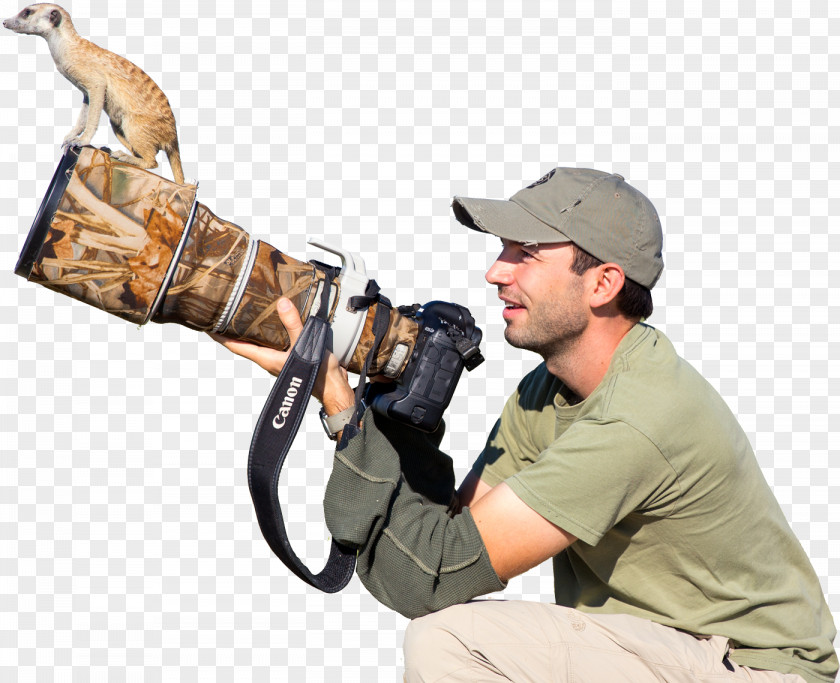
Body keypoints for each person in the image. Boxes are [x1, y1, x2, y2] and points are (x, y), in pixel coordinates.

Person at [215, 168, 838, 683]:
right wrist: (397, 403)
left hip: (754, 670)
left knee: (449, 645)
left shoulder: (639, 418)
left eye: (527, 254)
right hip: (665, 651)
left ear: (603, 283)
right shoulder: (547, 392)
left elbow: (427, 582)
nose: (495, 271)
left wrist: (342, 409)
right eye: (502, 250)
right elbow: (438, 545)